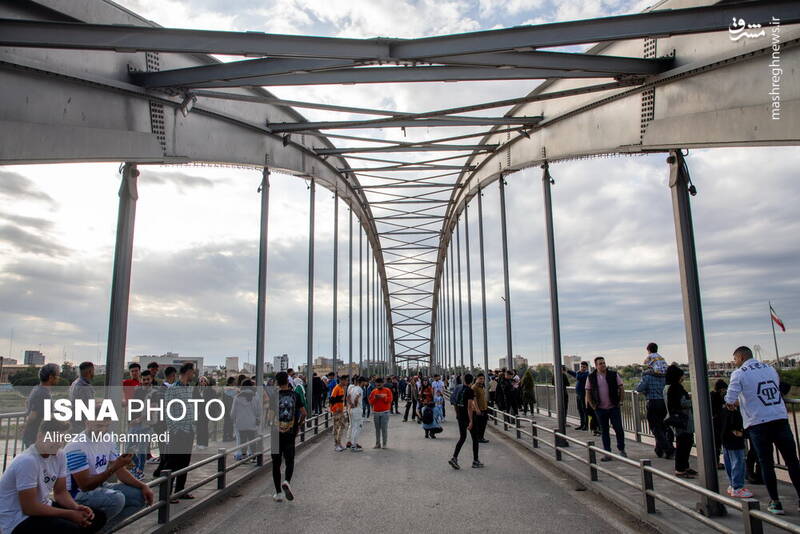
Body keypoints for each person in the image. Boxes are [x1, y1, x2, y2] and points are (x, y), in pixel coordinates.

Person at [725, 346, 800, 515]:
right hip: (780, 419)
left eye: (735, 359)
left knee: (766, 463)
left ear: (742, 357)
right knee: (793, 461)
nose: (735, 362)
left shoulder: (739, 373)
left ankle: (775, 502)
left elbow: (730, 398)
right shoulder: (770, 368)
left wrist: (735, 403)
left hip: (758, 422)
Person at [0, 420, 107, 534]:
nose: (59, 443)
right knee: (71, 529)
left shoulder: (59, 455)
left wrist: (76, 507)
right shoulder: (27, 461)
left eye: (62, 439)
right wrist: (69, 514)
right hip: (17, 519)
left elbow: (61, 493)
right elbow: (29, 508)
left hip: (42, 506)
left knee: (96, 517)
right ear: (40, 436)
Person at [65, 420, 154, 530]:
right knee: (117, 499)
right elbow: (85, 486)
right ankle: (92, 529)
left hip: (100, 485)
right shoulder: (76, 446)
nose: (102, 430)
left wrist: (143, 486)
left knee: (140, 496)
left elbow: (120, 472)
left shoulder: (108, 438)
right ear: (87, 423)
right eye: (98, 426)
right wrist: (115, 467)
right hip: (76, 493)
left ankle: (101, 529)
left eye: (105, 426)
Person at [162, 363, 196, 499]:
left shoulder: (189, 389)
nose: (194, 375)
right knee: (173, 462)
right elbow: (168, 411)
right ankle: (167, 494)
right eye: (192, 372)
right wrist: (175, 430)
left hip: (189, 430)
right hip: (178, 432)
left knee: (185, 462)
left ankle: (180, 490)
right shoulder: (173, 389)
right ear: (187, 372)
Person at [272, 371, 306, 502]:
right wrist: (298, 425)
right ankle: (287, 481)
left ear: (277, 382)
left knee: (276, 463)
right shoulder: (295, 395)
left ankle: (278, 493)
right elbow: (304, 412)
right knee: (290, 460)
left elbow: (269, 416)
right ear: (288, 381)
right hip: (290, 431)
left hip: (275, 432)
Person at [585, 356, 626, 460]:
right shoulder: (591, 377)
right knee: (604, 431)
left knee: (618, 428)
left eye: (604, 363)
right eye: (600, 363)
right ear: (596, 365)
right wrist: (593, 405)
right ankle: (607, 453)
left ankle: (621, 449)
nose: (603, 365)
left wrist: (621, 401)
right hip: (600, 408)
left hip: (613, 407)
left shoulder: (613, 374)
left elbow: (621, 387)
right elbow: (588, 392)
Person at [635, 357, 674, 460]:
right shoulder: (664, 376)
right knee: (662, 426)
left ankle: (667, 448)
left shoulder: (647, 376)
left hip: (652, 402)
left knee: (655, 428)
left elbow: (639, 388)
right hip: (664, 403)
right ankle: (659, 449)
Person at [665, 364, 696, 478]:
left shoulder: (671, 388)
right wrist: (693, 401)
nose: (683, 377)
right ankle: (680, 469)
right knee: (684, 444)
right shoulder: (675, 388)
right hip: (682, 420)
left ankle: (684, 466)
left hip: (681, 420)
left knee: (685, 443)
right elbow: (682, 403)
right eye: (682, 375)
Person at [448, 373, 482, 470]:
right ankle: (475, 461)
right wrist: (471, 421)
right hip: (468, 417)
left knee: (462, 438)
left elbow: (454, 402)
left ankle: (454, 458)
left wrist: (457, 414)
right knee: (475, 438)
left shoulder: (458, 388)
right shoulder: (470, 391)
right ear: (471, 381)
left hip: (460, 417)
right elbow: (469, 407)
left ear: (463, 380)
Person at [22, 363, 60, 448]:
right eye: (57, 376)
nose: (58, 378)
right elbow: (33, 415)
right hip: (35, 436)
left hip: (34, 435)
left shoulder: (37, 389)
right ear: (50, 377)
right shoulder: (43, 394)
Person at [720, 399, 752, 498]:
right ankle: (737, 487)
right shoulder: (735, 413)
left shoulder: (724, 411)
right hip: (735, 440)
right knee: (738, 462)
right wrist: (742, 434)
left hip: (726, 440)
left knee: (729, 461)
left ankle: (733, 485)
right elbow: (737, 427)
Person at [128, 370, 154, 479]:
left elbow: (152, 409)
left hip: (146, 425)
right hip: (134, 424)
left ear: (151, 379)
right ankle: (136, 467)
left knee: (142, 449)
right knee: (128, 447)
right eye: (144, 379)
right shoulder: (137, 391)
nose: (146, 381)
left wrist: (139, 419)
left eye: (148, 379)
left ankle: (140, 470)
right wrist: (131, 420)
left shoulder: (154, 393)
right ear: (141, 380)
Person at [232, 380, 260, 461]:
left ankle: (244, 457)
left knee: (243, 441)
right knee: (252, 440)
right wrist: (257, 418)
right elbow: (258, 411)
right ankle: (253, 457)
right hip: (252, 422)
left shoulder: (237, 397)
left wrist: (234, 418)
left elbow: (233, 412)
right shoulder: (255, 397)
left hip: (240, 423)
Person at [68, 362, 95, 434]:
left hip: (75, 420)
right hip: (81, 423)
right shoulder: (84, 387)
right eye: (93, 371)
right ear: (90, 371)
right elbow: (87, 407)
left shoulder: (75, 383)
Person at [368, 377, 393, 449]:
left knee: (384, 428)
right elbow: (370, 401)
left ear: (383, 383)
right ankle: (377, 443)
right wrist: (375, 398)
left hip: (385, 412)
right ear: (375, 384)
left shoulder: (387, 390)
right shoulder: (373, 391)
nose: (378, 384)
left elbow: (390, 399)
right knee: (377, 429)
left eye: (380, 383)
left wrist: (384, 397)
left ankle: (384, 444)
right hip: (376, 412)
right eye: (377, 383)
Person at [710, 379, 727, 468]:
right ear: (721, 389)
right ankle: (716, 463)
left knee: (714, 444)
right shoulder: (717, 397)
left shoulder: (710, 395)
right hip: (717, 423)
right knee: (717, 444)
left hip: (712, 422)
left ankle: (714, 462)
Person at [195, 376, 215, 450]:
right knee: (199, 428)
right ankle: (198, 443)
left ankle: (204, 443)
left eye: (204, 381)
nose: (202, 382)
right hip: (198, 411)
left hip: (206, 411)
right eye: (201, 381)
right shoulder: (196, 390)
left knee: (204, 427)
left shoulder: (210, 391)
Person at [330, 375, 348, 452]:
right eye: (346, 380)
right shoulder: (336, 388)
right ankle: (336, 444)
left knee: (342, 426)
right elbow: (332, 399)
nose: (347, 382)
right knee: (337, 427)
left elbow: (341, 399)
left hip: (341, 410)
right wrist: (335, 408)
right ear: (342, 380)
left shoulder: (342, 388)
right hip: (337, 411)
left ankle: (339, 443)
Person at [347, 376, 365, 452]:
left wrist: (351, 404)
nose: (365, 383)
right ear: (362, 382)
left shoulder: (352, 388)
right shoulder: (360, 389)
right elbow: (357, 397)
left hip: (351, 409)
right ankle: (354, 446)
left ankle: (353, 443)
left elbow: (348, 397)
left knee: (353, 426)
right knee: (357, 427)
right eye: (365, 382)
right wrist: (355, 404)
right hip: (357, 410)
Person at [572, 362, 590, 430]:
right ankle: (582, 424)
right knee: (580, 410)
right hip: (578, 395)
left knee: (584, 410)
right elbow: (575, 374)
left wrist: (577, 373)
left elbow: (578, 377)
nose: (582, 368)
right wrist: (567, 370)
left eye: (584, 367)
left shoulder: (586, 374)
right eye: (581, 366)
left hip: (583, 395)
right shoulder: (579, 373)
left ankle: (586, 426)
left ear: (586, 368)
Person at [472, 373, 489, 444]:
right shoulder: (474, 387)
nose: (482, 380)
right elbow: (474, 399)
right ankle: (479, 438)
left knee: (483, 424)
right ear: (476, 378)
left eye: (483, 379)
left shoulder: (481, 386)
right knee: (479, 424)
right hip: (478, 409)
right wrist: (477, 409)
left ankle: (481, 437)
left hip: (484, 408)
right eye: (480, 378)